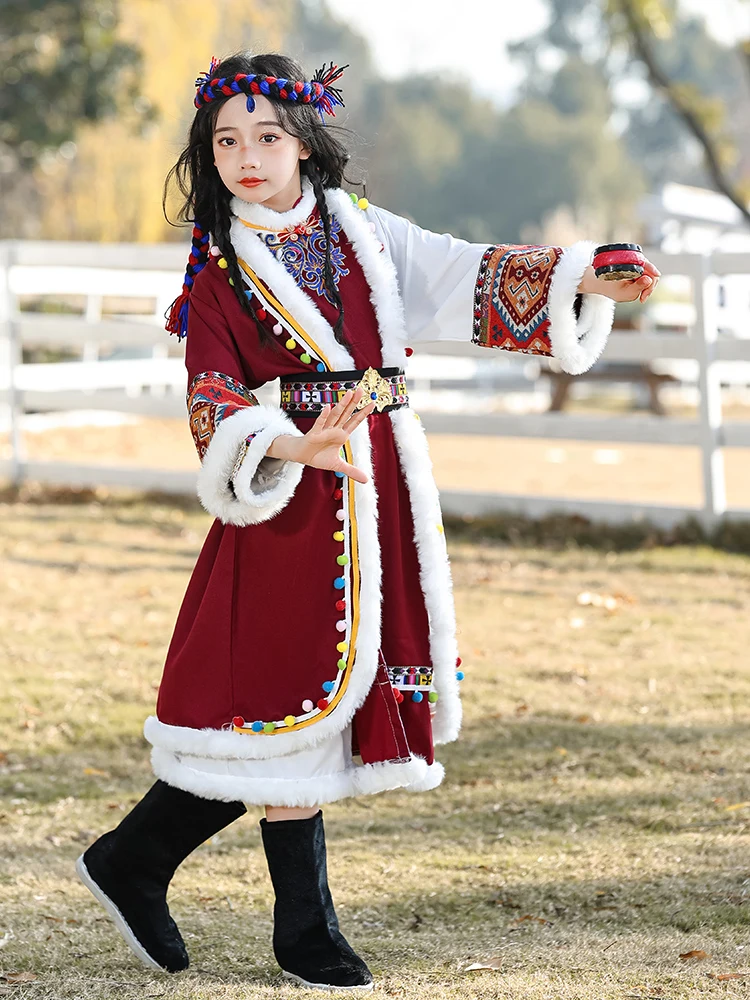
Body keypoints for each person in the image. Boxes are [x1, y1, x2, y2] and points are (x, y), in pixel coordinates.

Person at [75, 51, 659, 992]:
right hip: (290, 494)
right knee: (281, 696)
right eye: (227, 141)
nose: (247, 156)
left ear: (303, 141)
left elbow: (467, 276)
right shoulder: (217, 269)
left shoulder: (367, 234)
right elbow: (211, 386)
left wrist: (584, 279)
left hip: (378, 478)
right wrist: (283, 443)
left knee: (312, 706)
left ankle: (162, 871)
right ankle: (267, 914)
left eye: (267, 135)